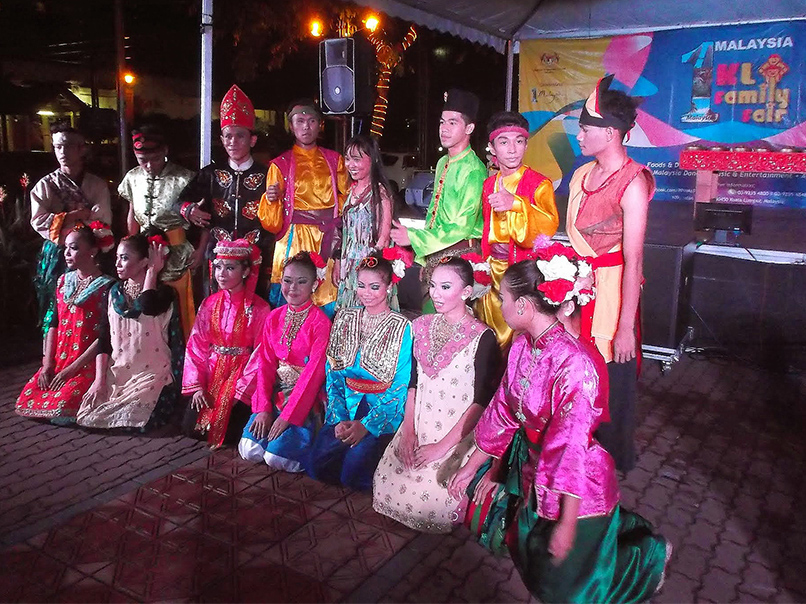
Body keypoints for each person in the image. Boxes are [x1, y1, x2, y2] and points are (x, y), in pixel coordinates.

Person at [447, 248, 669, 603]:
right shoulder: (522, 346)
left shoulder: (575, 365)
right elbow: (502, 411)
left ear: (523, 306)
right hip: (536, 472)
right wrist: (472, 466)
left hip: (578, 485)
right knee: (533, 555)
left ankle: (646, 558)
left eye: (502, 298)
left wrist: (567, 523)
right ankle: (622, 546)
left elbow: (571, 446)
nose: (498, 305)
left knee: (568, 590)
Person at [566, 75, 654, 473]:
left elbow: (633, 262)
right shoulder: (582, 175)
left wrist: (625, 329)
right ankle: (574, 448)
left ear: (610, 133)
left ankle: (609, 468)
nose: (579, 136)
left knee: (611, 378)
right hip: (578, 287)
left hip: (614, 291)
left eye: (585, 129)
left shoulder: (634, 182)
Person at [373, 256, 499, 533]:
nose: (435, 294)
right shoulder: (421, 326)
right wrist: (408, 433)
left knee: (432, 506)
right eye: (432, 286)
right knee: (388, 486)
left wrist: (441, 449)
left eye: (445, 287)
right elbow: (413, 383)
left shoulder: (483, 337)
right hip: (418, 426)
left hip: (455, 436)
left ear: (466, 292)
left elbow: (481, 402)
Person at [306, 253, 412, 490]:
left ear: (389, 287)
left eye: (375, 287)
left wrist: (367, 425)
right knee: (316, 466)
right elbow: (332, 372)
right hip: (346, 403)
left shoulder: (403, 327)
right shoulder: (344, 317)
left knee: (352, 475)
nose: (366, 293)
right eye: (361, 285)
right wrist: (340, 417)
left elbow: (400, 384)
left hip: (380, 409)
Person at [390, 89, 485, 310]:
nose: (444, 128)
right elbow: (434, 213)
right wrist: (426, 259)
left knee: (447, 321)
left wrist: (414, 238)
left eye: (453, 122)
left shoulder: (474, 170)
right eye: (442, 122)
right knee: (430, 320)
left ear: (469, 128)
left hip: (462, 255)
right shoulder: (443, 162)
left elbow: (462, 226)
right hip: (439, 254)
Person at [76, 234, 184, 430]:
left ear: (144, 261)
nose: (117, 263)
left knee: (140, 420)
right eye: (117, 257)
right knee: (87, 417)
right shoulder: (113, 292)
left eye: (124, 258)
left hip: (151, 375)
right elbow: (104, 340)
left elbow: (147, 306)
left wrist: (152, 272)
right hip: (118, 374)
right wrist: (99, 380)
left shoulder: (164, 294)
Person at [175, 85, 273, 299]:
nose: (233, 142)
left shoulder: (267, 174)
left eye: (240, 136)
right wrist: (189, 210)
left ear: (252, 140)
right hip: (219, 260)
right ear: (221, 139)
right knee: (219, 313)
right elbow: (180, 201)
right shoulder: (211, 174)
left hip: (255, 258)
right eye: (228, 136)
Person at [238, 251, 331, 472]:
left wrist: (288, 417)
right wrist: (263, 408)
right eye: (287, 281)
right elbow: (265, 364)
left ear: (314, 285)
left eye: (302, 282)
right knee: (249, 449)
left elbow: (313, 374)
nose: (293, 288)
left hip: (303, 398)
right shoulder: (274, 316)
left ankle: (307, 439)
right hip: (274, 392)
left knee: (275, 458)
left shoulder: (320, 322)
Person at [16, 223, 115, 423]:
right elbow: (53, 323)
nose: (67, 253)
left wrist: (72, 369)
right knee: (27, 402)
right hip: (60, 362)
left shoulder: (107, 286)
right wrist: (47, 365)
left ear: (93, 251)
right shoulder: (63, 281)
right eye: (66, 248)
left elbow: (106, 336)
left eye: (74, 248)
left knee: (63, 408)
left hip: (87, 363)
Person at [476, 111, 559, 348]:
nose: (512, 149)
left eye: (519, 141)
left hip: (521, 271)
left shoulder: (539, 184)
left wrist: (516, 203)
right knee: (490, 334)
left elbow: (548, 227)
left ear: (526, 145)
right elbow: (486, 230)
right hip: (493, 270)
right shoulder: (489, 184)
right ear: (492, 147)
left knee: (517, 337)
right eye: (504, 142)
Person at [258, 99, 349, 314]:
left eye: (311, 121)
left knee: (327, 296)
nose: (306, 127)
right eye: (300, 121)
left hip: (327, 237)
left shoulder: (335, 160)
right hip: (294, 237)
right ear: (291, 126)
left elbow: (348, 198)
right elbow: (271, 223)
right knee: (293, 297)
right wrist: (272, 199)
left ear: (320, 125)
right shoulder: (280, 164)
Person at [181, 239, 270, 449]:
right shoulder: (209, 303)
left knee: (231, 431)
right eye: (218, 267)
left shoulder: (260, 308)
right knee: (190, 427)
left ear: (246, 271)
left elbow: (261, 354)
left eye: (230, 268)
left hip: (241, 374)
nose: (222, 273)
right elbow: (196, 345)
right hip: (212, 372)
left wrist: (239, 391)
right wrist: (197, 386)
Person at [30, 124, 112, 335]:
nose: (63, 153)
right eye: (58, 147)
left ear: (81, 149)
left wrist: (62, 220)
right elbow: (39, 221)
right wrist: (76, 215)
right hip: (58, 255)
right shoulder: (45, 185)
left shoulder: (97, 184)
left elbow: (101, 219)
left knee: (90, 305)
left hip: (90, 252)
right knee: (55, 306)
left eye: (68, 146)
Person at [119, 125, 197, 339]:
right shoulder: (132, 177)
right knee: (147, 304)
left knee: (179, 305)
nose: (148, 165)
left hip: (177, 252)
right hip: (144, 253)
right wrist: (129, 248)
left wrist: (199, 252)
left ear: (165, 151)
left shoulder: (185, 178)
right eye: (142, 160)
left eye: (153, 159)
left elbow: (203, 222)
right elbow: (133, 214)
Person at [334, 134, 394, 310]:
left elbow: (383, 239)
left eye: (357, 159)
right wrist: (339, 261)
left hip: (368, 271)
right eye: (347, 159)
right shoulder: (352, 190)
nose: (350, 165)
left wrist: (369, 275)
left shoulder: (379, 193)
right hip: (349, 268)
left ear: (373, 159)